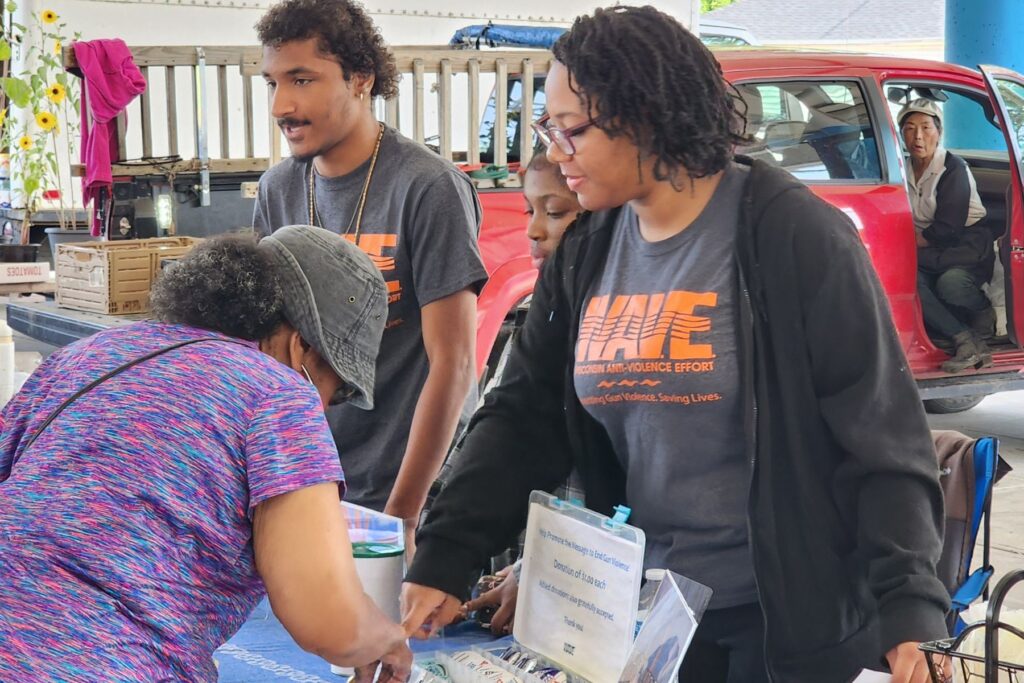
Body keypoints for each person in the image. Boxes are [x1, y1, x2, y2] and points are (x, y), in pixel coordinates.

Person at [402, 8, 948, 683]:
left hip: (787, 628)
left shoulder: (795, 239)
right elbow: (521, 414)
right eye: (548, 128)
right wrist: (445, 555)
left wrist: (912, 608)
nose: (553, 151)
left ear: (646, 115)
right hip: (648, 615)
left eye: (570, 129)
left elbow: (884, 440)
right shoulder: (587, 251)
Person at [0, 228, 411, 682]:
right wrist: (386, 638)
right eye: (332, 391)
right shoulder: (277, 393)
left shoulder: (83, 356)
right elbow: (330, 621)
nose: (324, 407)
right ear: (301, 347)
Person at [253, 0, 488, 546]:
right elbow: (268, 360)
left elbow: (452, 363)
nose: (282, 105)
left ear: (361, 79)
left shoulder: (428, 187)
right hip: (313, 485)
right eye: (272, 83)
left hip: (415, 489)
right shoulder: (278, 190)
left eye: (303, 79)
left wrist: (404, 514)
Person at [460, 151, 583, 635]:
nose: (533, 230)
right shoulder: (547, 316)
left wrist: (548, 566)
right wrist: (533, 563)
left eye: (555, 213)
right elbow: (510, 426)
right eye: (530, 210)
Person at [900, 98, 995, 373]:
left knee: (951, 284)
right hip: (928, 248)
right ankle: (965, 339)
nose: (918, 136)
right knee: (909, 284)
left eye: (926, 127)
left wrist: (903, 246)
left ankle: (984, 316)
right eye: (909, 128)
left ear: (939, 132)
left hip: (964, 243)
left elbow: (947, 227)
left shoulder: (953, 168)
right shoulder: (902, 167)